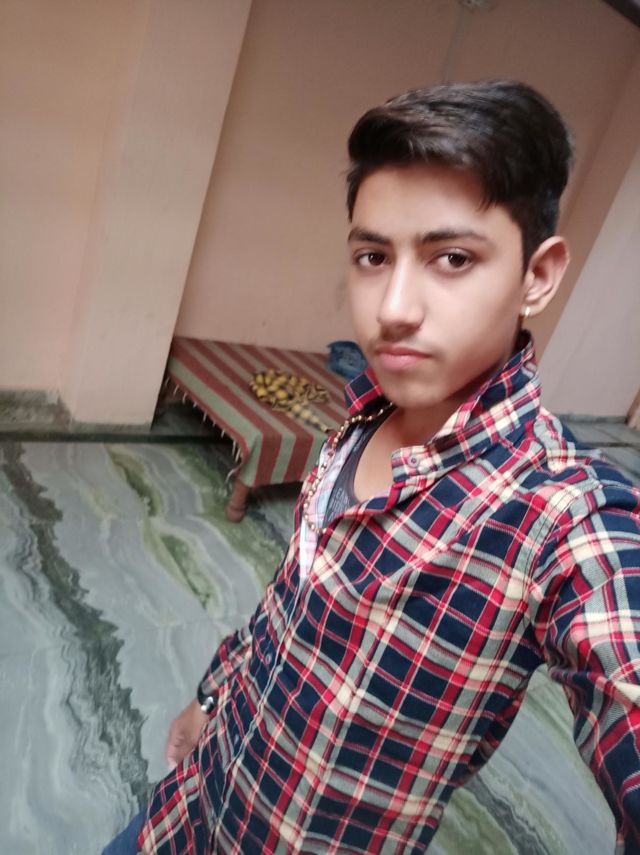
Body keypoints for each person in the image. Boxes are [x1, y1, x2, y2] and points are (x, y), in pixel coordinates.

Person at [103, 79, 640, 854]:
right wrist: (211, 698)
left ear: (538, 275)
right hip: (184, 813)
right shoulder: (361, 420)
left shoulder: (563, 516)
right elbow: (289, 605)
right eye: (372, 256)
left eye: (452, 258)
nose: (392, 308)